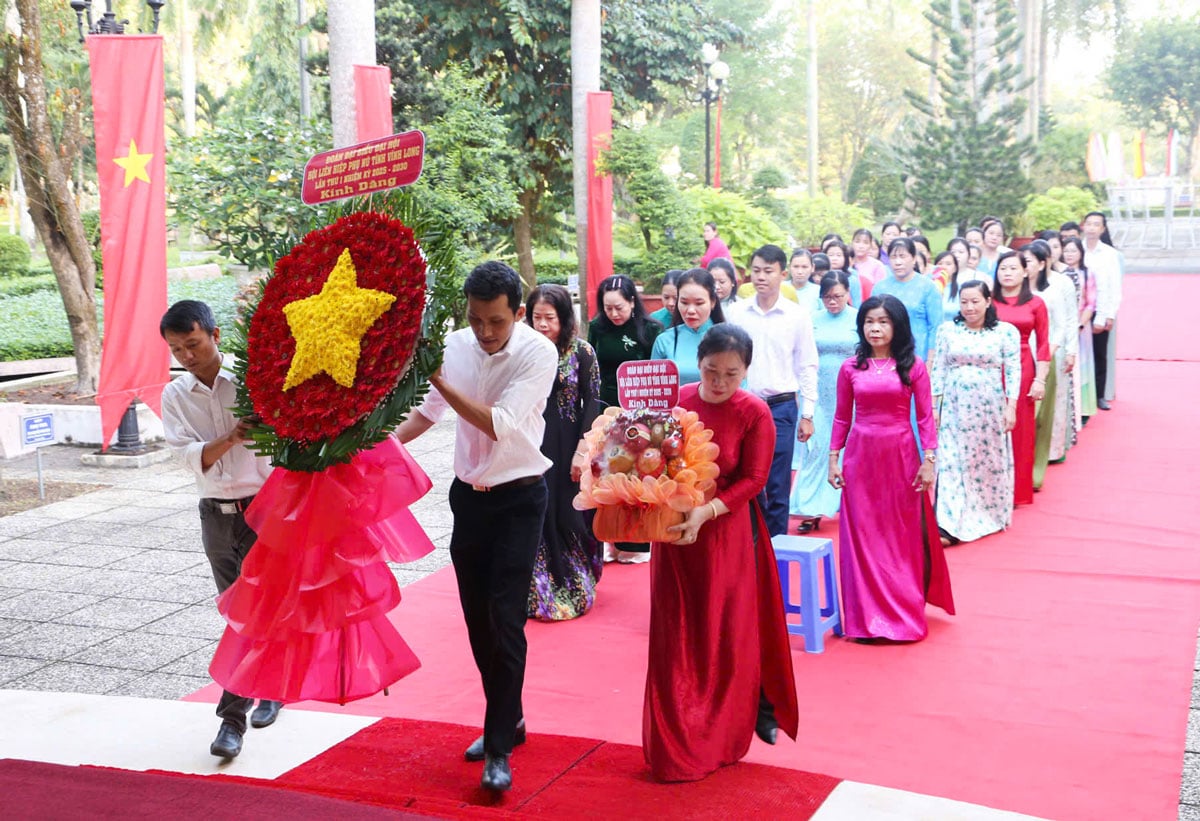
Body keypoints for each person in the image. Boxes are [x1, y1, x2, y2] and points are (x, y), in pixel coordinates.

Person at [395, 261, 559, 793]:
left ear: (517, 311)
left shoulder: (538, 352)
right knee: (477, 620)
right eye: (476, 320)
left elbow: (499, 424)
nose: (485, 332)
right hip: (469, 498)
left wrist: (437, 377)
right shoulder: (457, 343)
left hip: (520, 497)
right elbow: (427, 413)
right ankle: (507, 717)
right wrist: (375, 449)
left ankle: (497, 748)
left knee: (505, 616)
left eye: (495, 321)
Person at [643, 324, 798, 782]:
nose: (720, 383)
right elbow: (652, 460)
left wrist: (707, 511)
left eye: (732, 374)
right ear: (700, 363)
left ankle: (720, 736)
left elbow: (754, 479)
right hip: (673, 532)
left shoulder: (755, 413)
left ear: (746, 371)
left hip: (725, 535)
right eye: (712, 371)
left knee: (720, 635)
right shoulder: (676, 404)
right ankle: (675, 742)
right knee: (675, 633)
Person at [158, 299, 281, 760]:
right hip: (214, 515)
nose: (187, 355)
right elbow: (189, 457)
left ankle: (232, 721)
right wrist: (230, 437)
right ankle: (269, 684)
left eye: (192, 343)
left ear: (215, 335)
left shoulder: (251, 378)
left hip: (263, 511)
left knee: (251, 612)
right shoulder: (175, 395)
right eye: (177, 349)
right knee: (238, 614)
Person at [828, 295, 954, 642]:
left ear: (896, 325)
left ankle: (903, 614)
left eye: (883, 321)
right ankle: (865, 618)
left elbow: (926, 417)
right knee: (862, 535)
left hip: (901, 457)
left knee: (900, 536)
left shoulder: (913, 366)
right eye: (869, 321)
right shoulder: (850, 367)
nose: (875, 328)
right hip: (860, 458)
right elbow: (842, 416)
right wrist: (833, 457)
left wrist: (929, 461)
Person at [726, 244, 818, 537]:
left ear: (783, 274)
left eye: (768, 271)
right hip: (742, 405)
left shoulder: (796, 316)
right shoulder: (736, 313)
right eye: (756, 271)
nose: (761, 277)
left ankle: (776, 550)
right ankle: (749, 549)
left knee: (776, 484)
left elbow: (807, 365)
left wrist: (808, 412)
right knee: (744, 480)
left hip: (781, 407)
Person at [524, 285, 604, 620]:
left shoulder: (582, 352)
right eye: (536, 318)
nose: (542, 324)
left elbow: (593, 402)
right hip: (532, 443)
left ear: (564, 319)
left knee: (568, 514)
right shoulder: (523, 351)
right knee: (536, 515)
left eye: (549, 318)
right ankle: (537, 589)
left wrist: (582, 451)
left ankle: (575, 582)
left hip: (569, 443)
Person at [930, 281, 1020, 544]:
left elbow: (1014, 371)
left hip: (988, 407)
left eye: (975, 301)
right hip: (954, 407)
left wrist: (1011, 406)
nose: (969, 307)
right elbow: (939, 369)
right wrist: (934, 405)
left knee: (984, 462)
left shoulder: (1005, 332)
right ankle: (948, 523)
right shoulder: (948, 330)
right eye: (964, 302)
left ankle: (985, 513)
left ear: (988, 301)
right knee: (949, 461)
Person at [790, 272, 858, 530]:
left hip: (849, 392)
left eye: (838, 296)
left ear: (848, 294)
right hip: (816, 393)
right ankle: (809, 509)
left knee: (847, 449)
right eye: (827, 297)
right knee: (816, 448)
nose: (833, 302)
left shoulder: (858, 318)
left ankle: (846, 504)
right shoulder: (811, 320)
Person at [991, 252, 1050, 507]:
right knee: (991, 425)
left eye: (1013, 268)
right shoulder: (988, 302)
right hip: (992, 367)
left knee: (1020, 430)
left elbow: (1044, 344)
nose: (1007, 273)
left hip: (1024, 367)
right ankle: (991, 487)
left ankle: (1016, 490)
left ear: (1025, 272)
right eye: (1003, 268)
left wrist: (1040, 380)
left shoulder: (1036, 303)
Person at [1024, 240, 1078, 482]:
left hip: (1045, 357)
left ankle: (1038, 465)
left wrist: (1051, 349)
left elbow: (1061, 325)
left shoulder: (1053, 291)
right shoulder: (1014, 291)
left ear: (1041, 263)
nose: (1023, 267)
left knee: (1041, 414)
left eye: (1028, 262)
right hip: (1019, 357)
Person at [588, 275, 662, 409]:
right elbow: (591, 365)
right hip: (606, 399)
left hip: (640, 400)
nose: (614, 314)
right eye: (608, 308)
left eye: (619, 308)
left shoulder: (650, 329)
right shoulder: (597, 327)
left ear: (632, 302)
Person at [871, 237, 943, 362]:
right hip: (886, 355)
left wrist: (931, 361)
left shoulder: (928, 287)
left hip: (919, 354)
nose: (898, 262)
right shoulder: (879, 288)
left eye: (902, 256)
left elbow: (935, 327)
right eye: (893, 257)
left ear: (914, 258)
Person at [651, 268, 726, 386]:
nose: (690, 310)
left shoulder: (729, 341)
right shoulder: (664, 340)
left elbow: (741, 389)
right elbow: (654, 389)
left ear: (712, 302)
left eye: (699, 303)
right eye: (684, 303)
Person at [1082, 211, 1122, 410]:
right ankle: (1080, 396)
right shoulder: (1075, 249)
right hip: (1079, 312)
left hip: (1100, 309)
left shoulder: (1109, 254)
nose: (1091, 228)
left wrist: (1109, 314)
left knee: (1099, 354)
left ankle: (1099, 395)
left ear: (1102, 229)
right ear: (1083, 226)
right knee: (1080, 354)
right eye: (1088, 223)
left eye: (1096, 224)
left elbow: (1114, 286)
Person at [1062, 237, 1098, 422]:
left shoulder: (1087, 273)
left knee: (1081, 367)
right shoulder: (1059, 273)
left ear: (1081, 253)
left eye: (1073, 251)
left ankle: (1083, 408)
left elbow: (1091, 304)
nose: (1069, 254)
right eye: (1066, 250)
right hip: (1062, 328)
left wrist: (1079, 325)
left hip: (1080, 328)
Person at [824, 239, 866, 304]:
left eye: (838, 255)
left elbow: (857, 302)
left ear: (845, 258)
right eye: (831, 255)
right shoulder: (820, 277)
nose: (834, 258)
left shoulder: (852, 279)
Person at [789, 248, 823, 314]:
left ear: (812, 267)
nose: (800, 272)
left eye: (804, 267)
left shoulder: (819, 291)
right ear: (789, 267)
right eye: (796, 267)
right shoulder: (780, 288)